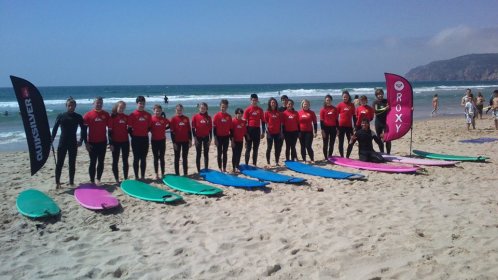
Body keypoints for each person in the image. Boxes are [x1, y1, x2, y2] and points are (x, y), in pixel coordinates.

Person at [51, 98, 87, 189]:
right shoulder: (61, 116)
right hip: (62, 142)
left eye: (72, 105)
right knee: (60, 163)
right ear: (66, 106)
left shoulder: (78, 116)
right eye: (69, 105)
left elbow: (83, 129)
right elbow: (55, 129)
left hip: (73, 142)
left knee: (72, 163)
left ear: (75, 106)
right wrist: (51, 140)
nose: (71, 107)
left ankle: (71, 182)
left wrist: (81, 140)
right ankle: (57, 182)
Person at [83, 96, 110, 185]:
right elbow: (83, 130)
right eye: (97, 103)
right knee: (93, 161)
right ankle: (91, 180)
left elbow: (110, 129)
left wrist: (110, 142)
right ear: (93, 103)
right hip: (92, 142)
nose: (99, 104)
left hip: (102, 142)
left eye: (100, 103)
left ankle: (98, 179)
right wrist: (85, 143)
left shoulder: (106, 114)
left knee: (101, 161)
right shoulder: (88, 115)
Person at [128, 96, 152, 180]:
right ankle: (136, 176)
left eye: (143, 103)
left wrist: (143, 133)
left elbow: (149, 128)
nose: (141, 105)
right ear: (137, 104)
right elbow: (129, 129)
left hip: (144, 139)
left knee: (143, 158)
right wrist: (134, 136)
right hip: (135, 139)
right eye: (140, 103)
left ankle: (142, 176)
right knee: (136, 158)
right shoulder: (132, 115)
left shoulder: (148, 115)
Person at [108, 101, 129, 183]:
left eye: (123, 107)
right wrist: (111, 143)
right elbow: (109, 132)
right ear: (117, 107)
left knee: (125, 160)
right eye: (120, 107)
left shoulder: (126, 117)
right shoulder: (112, 117)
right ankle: (117, 179)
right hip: (115, 142)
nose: (122, 109)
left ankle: (126, 178)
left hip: (125, 141)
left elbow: (130, 129)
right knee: (115, 160)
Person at [243, 94, 266, 166]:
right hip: (249, 130)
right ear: (251, 100)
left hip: (257, 130)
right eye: (253, 100)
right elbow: (244, 123)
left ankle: (254, 164)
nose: (254, 101)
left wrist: (263, 132)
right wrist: (246, 134)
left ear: (257, 100)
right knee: (248, 148)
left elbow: (263, 121)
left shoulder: (260, 110)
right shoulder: (247, 109)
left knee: (255, 149)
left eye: (256, 100)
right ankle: (246, 164)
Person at [170, 104, 192, 175]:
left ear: (183, 110)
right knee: (177, 157)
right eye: (178, 110)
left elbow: (189, 130)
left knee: (185, 157)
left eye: (180, 110)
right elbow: (172, 132)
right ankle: (177, 174)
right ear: (175, 110)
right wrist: (174, 143)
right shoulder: (173, 119)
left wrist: (190, 140)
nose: (179, 111)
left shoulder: (186, 118)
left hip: (185, 141)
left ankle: (185, 173)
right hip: (177, 141)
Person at [150, 104, 170, 180]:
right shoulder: (151, 119)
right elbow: (148, 127)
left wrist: (164, 129)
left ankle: (162, 173)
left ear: (161, 111)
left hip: (162, 140)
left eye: (159, 111)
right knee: (155, 158)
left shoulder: (164, 119)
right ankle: (156, 174)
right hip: (154, 140)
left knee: (162, 157)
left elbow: (170, 125)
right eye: (156, 111)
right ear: (154, 111)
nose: (157, 112)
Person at [192, 102, 212, 172]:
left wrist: (210, 139)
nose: (202, 109)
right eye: (201, 108)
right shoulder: (195, 117)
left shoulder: (209, 118)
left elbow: (210, 129)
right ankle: (198, 170)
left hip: (206, 137)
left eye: (204, 108)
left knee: (206, 154)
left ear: (206, 109)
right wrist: (194, 139)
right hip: (198, 138)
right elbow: (193, 129)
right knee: (198, 154)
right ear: (199, 108)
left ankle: (206, 169)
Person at [213, 99, 232, 172]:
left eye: (225, 107)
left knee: (225, 153)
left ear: (227, 107)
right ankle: (220, 168)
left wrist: (232, 139)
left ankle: (224, 168)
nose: (223, 108)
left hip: (226, 137)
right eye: (222, 107)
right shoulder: (216, 116)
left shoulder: (229, 116)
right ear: (220, 106)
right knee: (219, 153)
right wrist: (215, 139)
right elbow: (214, 129)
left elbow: (231, 129)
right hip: (218, 137)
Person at [264, 97, 283, 167]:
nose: (273, 104)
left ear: (276, 104)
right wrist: (267, 131)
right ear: (270, 103)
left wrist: (281, 132)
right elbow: (265, 123)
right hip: (270, 133)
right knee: (269, 148)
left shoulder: (279, 113)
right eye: (272, 102)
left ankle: (277, 161)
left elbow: (281, 123)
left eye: (274, 102)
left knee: (277, 148)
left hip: (277, 133)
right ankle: (268, 162)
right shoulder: (267, 112)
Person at [336, 90, 356, 157]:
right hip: (341, 127)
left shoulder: (352, 105)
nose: (345, 98)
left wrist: (355, 126)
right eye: (344, 97)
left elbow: (354, 116)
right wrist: (337, 127)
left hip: (349, 127)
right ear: (342, 97)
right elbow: (336, 117)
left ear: (348, 97)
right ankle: (342, 156)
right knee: (341, 142)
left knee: (351, 141)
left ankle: (347, 156)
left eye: (346, 97)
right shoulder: (339, 105)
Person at [372, 89, 391, 154]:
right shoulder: (375, 102)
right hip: (378, 122)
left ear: (383, 94)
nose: (380, 95)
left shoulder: (386, 101)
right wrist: (385, 108)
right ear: (376, 96)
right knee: (379, 138)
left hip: (386, 122)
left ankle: (388, 153)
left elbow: (394, 107)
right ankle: (382, 152)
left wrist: (409, 108)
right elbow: (376, 111)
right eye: (378, 94)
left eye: (381, 94)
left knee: (388, 138)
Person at [320, 94, 338, 160]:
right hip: (325, 128)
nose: (328, 101)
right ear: (325, 101)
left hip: (333, 128)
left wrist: (337, 129)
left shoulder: (335, 109)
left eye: (329, 100)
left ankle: (330, 156)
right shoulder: (323, 110)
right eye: (327, 100)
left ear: (331, 100)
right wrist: (322, 130)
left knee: (331, 143)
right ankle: (325, 157)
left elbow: (336, 120)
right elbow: (321, 121)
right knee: (325, 144)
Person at [231, 108, 246, 173]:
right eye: (238, 113)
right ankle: (234, 167)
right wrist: (232, 141)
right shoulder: (233, 121)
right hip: (235, 141)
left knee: (239, 154)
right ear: (236, 114)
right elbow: (231, 132)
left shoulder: (243, 122)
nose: (240, 115)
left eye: (241, 113)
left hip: (241, 140)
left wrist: (246, 140)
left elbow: (244, 131)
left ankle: (237, 166)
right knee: (234, 154)